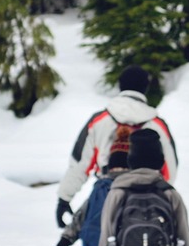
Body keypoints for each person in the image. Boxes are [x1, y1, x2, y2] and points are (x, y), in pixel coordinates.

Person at [55, 64, 178, 231]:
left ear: (120, 86)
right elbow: (170, 170)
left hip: (107, 196)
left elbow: (80, 163)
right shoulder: (157, 125)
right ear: (145, 88)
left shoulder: (99, 120)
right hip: (147, 201)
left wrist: (64, 198)